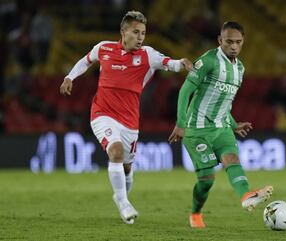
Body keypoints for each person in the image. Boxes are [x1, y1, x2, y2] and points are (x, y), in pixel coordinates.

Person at [60, 10, 192, 225]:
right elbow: (85, 61)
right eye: (136, 32)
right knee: (116, 152)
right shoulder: (104, 48)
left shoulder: (148, 55)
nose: (140, 37)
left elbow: (170, 63)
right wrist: (69, 77)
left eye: (143, 33)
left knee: (127, 167)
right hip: (102, 113)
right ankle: (123, 203)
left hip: (130, 121)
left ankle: (122, 195)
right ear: (123, 32)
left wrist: (183, 62)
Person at [168, 21, 273, 228]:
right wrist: (180, 124)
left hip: (222, 128)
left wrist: (233, 124)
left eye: (238, 42)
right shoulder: (208, 61)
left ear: (243, 42)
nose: (233, 46)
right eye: (229, 42)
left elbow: (225, 102)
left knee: (232, 160)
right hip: (196, 129)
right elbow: (185, 91)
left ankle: (246, 197)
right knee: (207, 179)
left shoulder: (240, 69)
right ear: (220, 40)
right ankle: (195, 213)